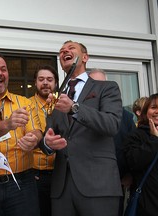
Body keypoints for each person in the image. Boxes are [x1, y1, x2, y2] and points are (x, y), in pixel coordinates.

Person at [40, 40, 123, 216]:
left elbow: (112, 124)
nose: (64, 52)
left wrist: (74, 108)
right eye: (61, 51)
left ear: (85, 57)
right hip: (62, 189)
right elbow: (50, 134)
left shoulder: (106, 88)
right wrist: (47, 142)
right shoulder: (57, 95)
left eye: (70, 48)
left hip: (98, 185)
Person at [0, 52, 43, 216]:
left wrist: (33, 139)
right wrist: (7, 124)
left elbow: (36, 130)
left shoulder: (24, 102)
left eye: (3, 69)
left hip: (22, 183)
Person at [88, 69, 136, 216]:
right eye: (94, 85)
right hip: (87, 184)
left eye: (103, 84)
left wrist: (129, 174)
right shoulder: (79, 114)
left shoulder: (126, 116)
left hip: (115, 184)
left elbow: (131, 147)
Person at [29, 64, 58, 216]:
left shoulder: (63, 106)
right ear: (35, 82)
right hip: (35, 175)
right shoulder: (25, 105)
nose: (45, 83)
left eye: (49, 79)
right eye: (41, 79)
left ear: (56, 83)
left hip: (60, 174)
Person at [124, 94, 158, 216]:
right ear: (145, 112)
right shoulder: (135, 135)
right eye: (154, 107)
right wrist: (154, 139)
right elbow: (134, 162)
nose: (157, 111)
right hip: (147, 203)